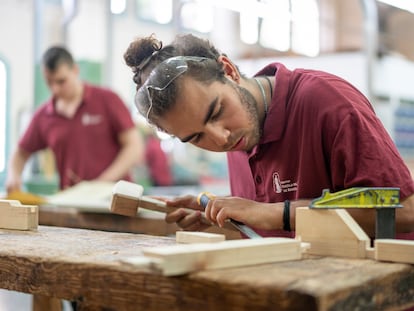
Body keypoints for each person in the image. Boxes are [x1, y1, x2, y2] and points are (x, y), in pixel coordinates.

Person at [123, 33, 414, 240]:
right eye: (196, 137)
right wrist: (229, 219)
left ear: (229, 70)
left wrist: (275, 213)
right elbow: (275, 225)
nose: (221, 138)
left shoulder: (328, 101)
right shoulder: (239, 134)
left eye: (217, 111)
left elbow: (406, 210)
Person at [6, 46, 143, 192]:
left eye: (61, 81)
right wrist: (13, 175)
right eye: (49, 82)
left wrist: (101, 184)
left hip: (115, 199)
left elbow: (134, 147)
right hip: (73, 203)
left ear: (75, 70)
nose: (55, 89)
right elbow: (20, 153)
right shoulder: (43, 116)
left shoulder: (108, 100)